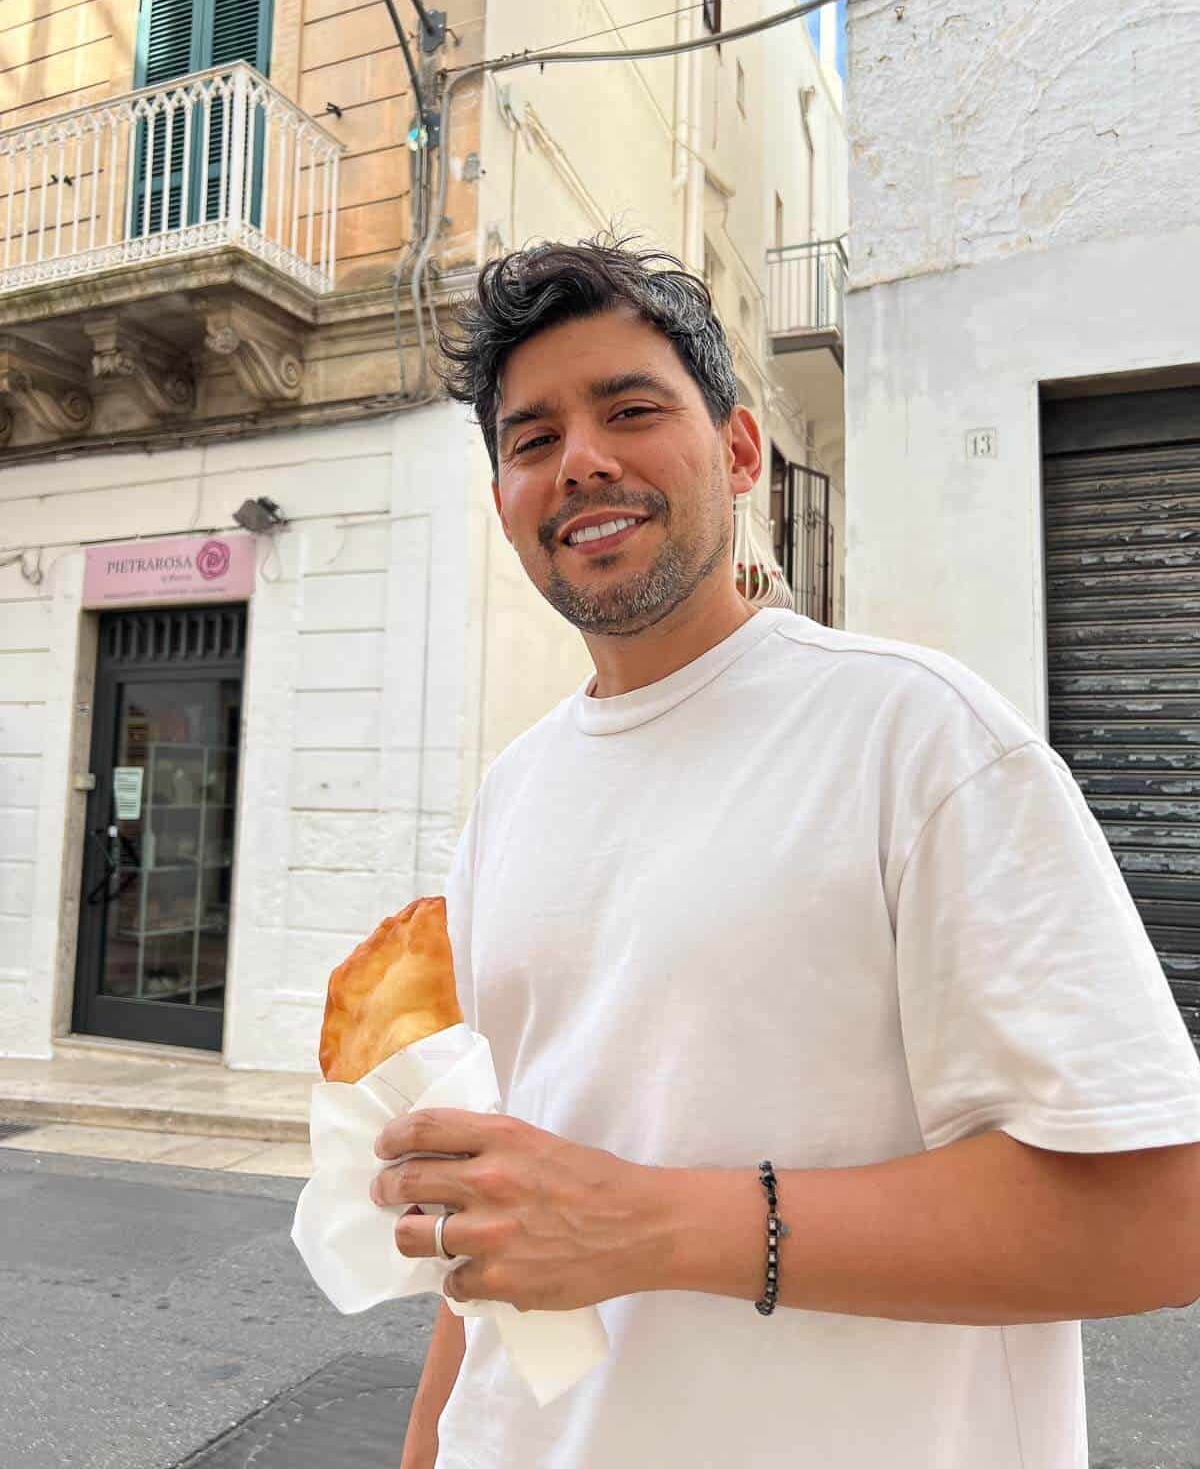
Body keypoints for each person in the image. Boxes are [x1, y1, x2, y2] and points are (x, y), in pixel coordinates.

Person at [373, 237, 1200, 1469]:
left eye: (632, 408)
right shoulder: (511, 793)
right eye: (530, 439)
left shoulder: (918, 735)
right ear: (505, 502)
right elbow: (510, 1211)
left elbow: (1156, 1219)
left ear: (743, 451)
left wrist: (652, 1225)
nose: (580, 458)